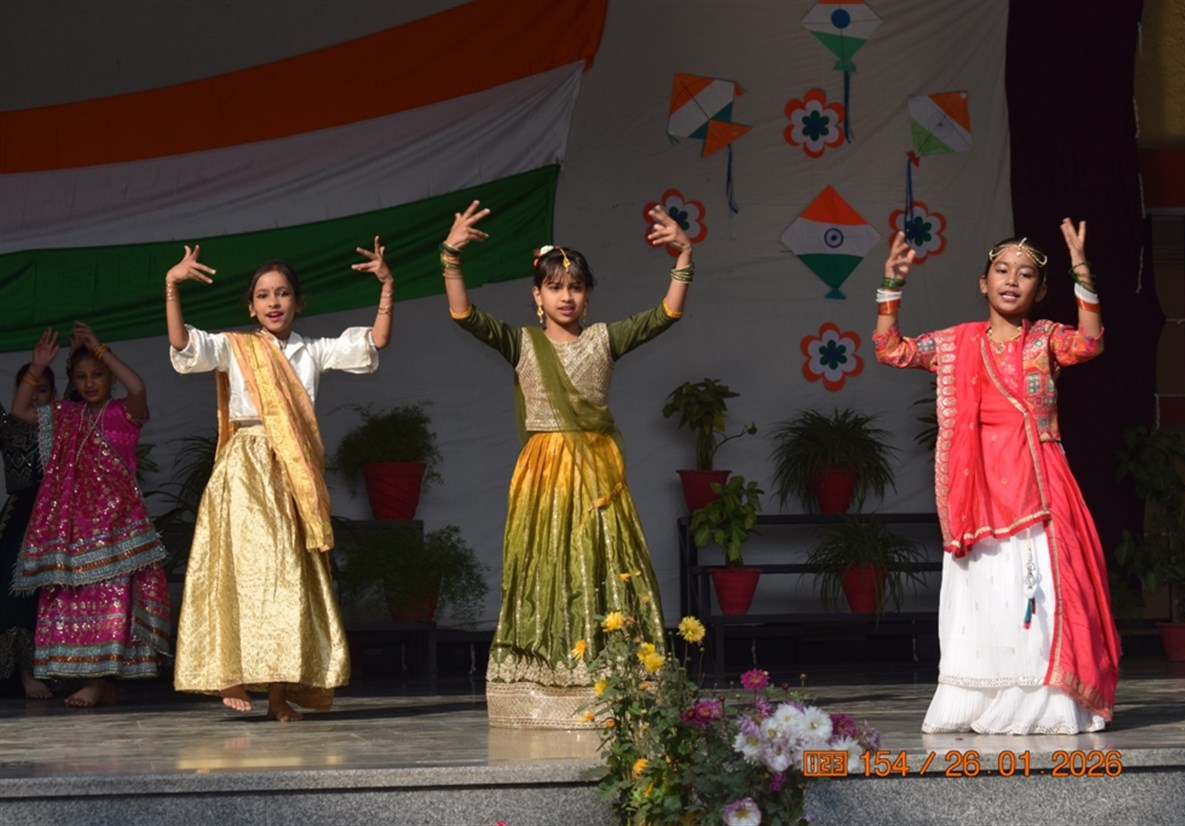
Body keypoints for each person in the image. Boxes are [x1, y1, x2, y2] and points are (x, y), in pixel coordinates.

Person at [441, 201, 692, 728]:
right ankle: (542, 685)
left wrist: (684, 257)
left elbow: (665, 315)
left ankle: (614, 680)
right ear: (537, 296)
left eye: (575, 287)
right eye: (554, 287)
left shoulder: (603, 340)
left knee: (601, 565)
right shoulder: (522, 343)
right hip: (543, 477)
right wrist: (451, 258)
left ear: (587, 295)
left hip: (597, 476)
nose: (566, 296)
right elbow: (464, 315)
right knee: (546, 571)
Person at [873, 219, 1120, 734]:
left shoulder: (1046, 339)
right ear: (983, 283)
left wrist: (1081, 268)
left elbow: (1091, 342)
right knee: (985, 589)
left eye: (1026, 274)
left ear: (1040, 291)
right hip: (977, 487)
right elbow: (891, 350)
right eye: (1002, 270)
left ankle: (1044, 703)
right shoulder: (955, 342)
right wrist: (891, 286)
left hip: (1037, 481)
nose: (1012, 280)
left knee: (1042, 591)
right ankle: (977, 701)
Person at [166, 239, 393, 722]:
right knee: (238, 571)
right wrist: (172, 288)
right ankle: (228, 670)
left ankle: (276, 695)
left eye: (283, 293)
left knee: (286, 576)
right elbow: (185, 345)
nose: (273, 302)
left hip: (293, 473)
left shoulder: (313, 351)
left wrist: (387, 286)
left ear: (298, 301)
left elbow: (374, 342)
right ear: (251, 306)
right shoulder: (237, 348)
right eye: (263, 295)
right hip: (245, 471)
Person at [12, 324, 172, 708]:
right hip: (74, 533)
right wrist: (37, 367)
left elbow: (137, 387)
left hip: (117, 528)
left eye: (97, 375)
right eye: (81, 377)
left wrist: (101, 351)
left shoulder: (124, 413)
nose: (89, 383)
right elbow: (20, 410)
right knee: (78, 604)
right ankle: (100, 684)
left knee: (112, 604)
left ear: (109, 377)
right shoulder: (66, 416)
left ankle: (100, 682)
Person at [0, 366, 56, 699]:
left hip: (57, 513)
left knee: (53, 595)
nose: (35, 396)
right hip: (19, 515)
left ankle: (65, 672)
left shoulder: (62, 423)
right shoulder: (7, 425)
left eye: (43, 389)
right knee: (15, 591)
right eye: (29, 388)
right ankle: (24, 672)